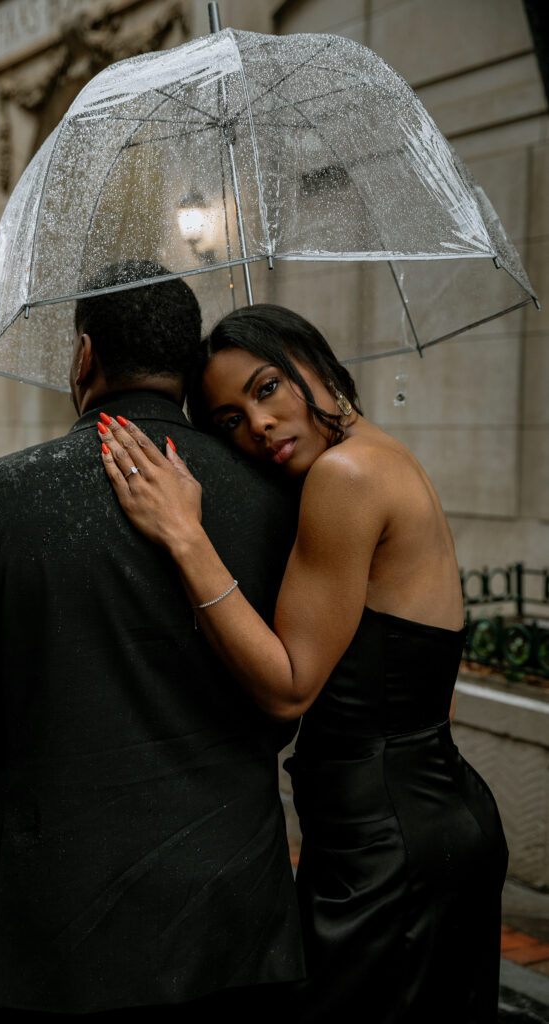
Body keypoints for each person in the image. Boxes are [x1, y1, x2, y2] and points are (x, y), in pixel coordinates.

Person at [0, 269, 306, 1023]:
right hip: (228, 907)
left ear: (83, 355)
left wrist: (45, 799)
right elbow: (280, 707)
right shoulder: (273, 501)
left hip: (55, 911)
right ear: (190, 369)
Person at [99, 303, 509, 1024]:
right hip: (423, 813)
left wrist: (183, 537)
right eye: (227, 421)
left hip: (389, 840)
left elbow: (288, 690)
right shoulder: (382, 455)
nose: (255, 426)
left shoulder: (345, 477)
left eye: (265, 388)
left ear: (312, 364)